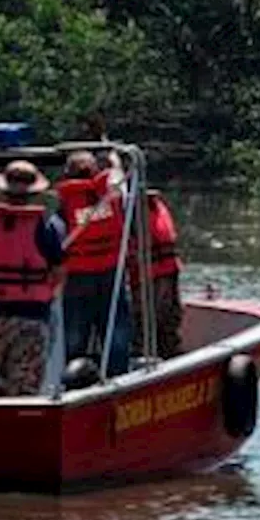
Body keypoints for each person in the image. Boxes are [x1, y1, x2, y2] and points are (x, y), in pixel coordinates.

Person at [0, 160, 66, 395]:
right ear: (34, 193)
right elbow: (58, 270)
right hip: (31, 314)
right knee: (25, 383)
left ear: (3, 190)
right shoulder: (45, 226)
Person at [56, 150, 132, 376]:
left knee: (74, 337)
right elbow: (119, 176)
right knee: (116, 334)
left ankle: (72, 380)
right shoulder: (113, 198)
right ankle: (118, 376)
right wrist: (113, 157)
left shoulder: (63, 211)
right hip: (111, 275)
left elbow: (55, 246)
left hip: (77, 280)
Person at [130, 189, 184, 358]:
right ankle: (163, 354)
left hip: (156, 273)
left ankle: (163, 355)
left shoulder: (135, 209)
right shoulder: (150, 206)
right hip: (156, 271)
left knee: (159, 319)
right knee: (160, 320)